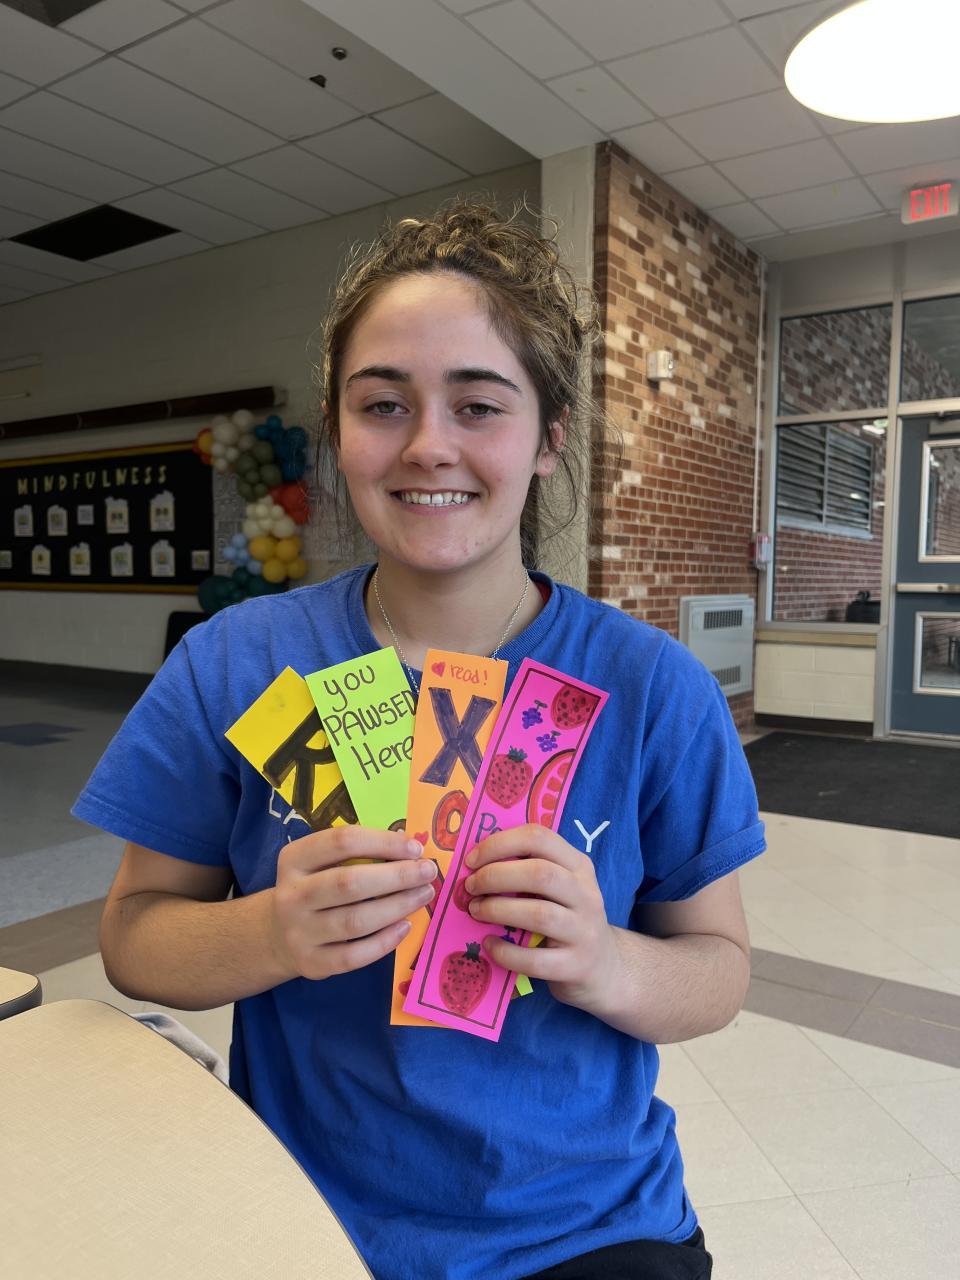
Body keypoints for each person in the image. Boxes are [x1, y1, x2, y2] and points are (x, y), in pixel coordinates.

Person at [74, 200, 765, 1280]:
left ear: (549, 438)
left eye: (478, 405)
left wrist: (603, 958)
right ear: (338, 430)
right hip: (302, 1215)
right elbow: (133, 936)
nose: (428, 444)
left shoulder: (651, 685)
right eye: (383, 403)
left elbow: (718, 970)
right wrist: (271, 929)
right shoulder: (236, 663)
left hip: (587, 1225)